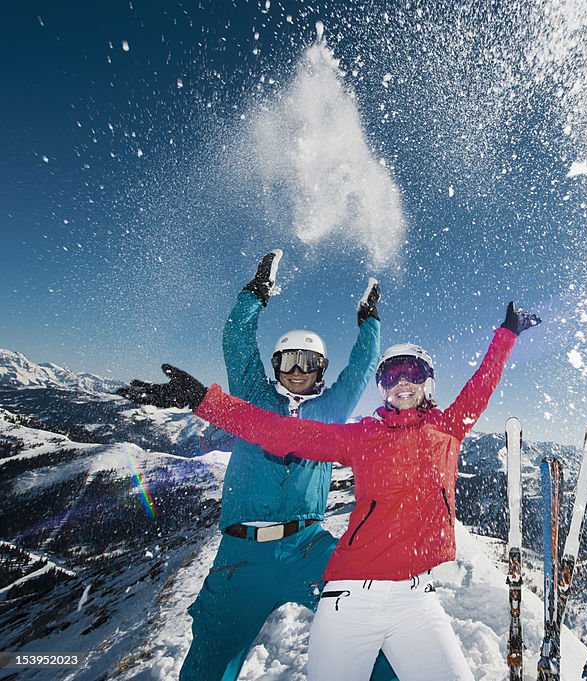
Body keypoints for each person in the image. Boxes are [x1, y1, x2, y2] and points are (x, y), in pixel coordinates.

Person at [118, 301, 541, 681]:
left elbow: (478, 386)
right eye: (392, 375)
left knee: (396, 667)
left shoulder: (438, 426)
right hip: (298, 575)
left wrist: (504, 336)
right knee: (213, 661)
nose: (403, 382)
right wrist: (202, 398)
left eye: (412, 373)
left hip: (366, 573)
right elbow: (277, 429)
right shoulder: (353, 433)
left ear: (428, 382)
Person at [125, 250, 395, 681]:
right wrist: (256, 293)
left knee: (372, 626)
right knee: (209, 662)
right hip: (242, 556)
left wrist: (370, 319)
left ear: (321, 369)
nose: (297, 371)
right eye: (288, 361)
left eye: (308, 363)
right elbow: (236, 342)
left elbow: (361, 368)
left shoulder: (331, 408)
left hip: (309, 547)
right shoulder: (254, 397)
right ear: (275, 366)